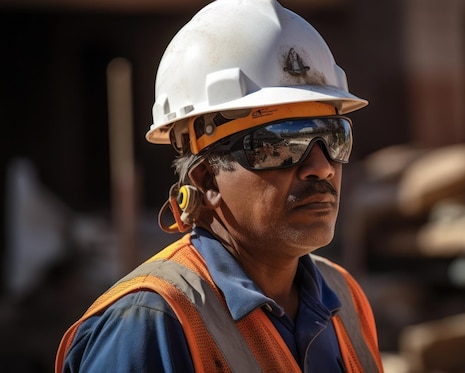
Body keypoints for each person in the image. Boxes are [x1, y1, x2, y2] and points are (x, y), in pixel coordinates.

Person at [55, 0, 383, 371]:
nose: (322, 168)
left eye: (333, 137)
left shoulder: (344, 297)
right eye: (281, 144)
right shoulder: (150, 324)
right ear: (207, 180)